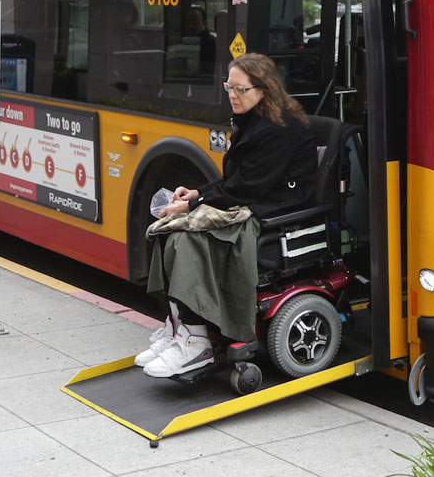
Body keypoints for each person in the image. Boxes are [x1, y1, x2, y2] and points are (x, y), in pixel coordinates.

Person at [136, 52, 317, 378]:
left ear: (264, 89)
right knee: (168, 230)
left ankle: (196, 342)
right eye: (229, 87)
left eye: (240, 89)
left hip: (272, 212)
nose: (232, 95)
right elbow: (237, 180)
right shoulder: (255, 121)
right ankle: (180, 327)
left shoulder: (278, 129)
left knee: (185, 238)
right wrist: (196, 193)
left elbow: (249, 187)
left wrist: (193, 205)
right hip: (253, 201)